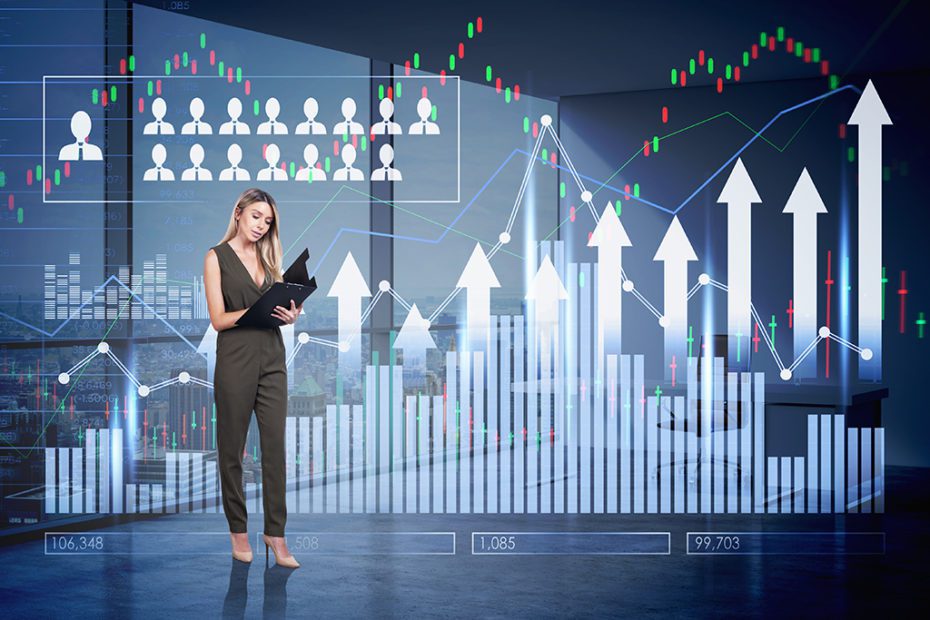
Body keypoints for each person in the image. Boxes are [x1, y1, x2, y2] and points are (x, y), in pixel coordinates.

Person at [203, 188, 302, 568]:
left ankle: (275, 535)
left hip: (272, 358)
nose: (261, 226)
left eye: (268, 221)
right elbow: (218, 320)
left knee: (275, 450)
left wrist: (288, 314)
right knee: (233, 451)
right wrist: (258, 309)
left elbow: (273, 313)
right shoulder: (216, 258)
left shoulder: (268, 258)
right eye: (257, 216)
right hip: (236, 360)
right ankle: (238, 532)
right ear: (239, 213)